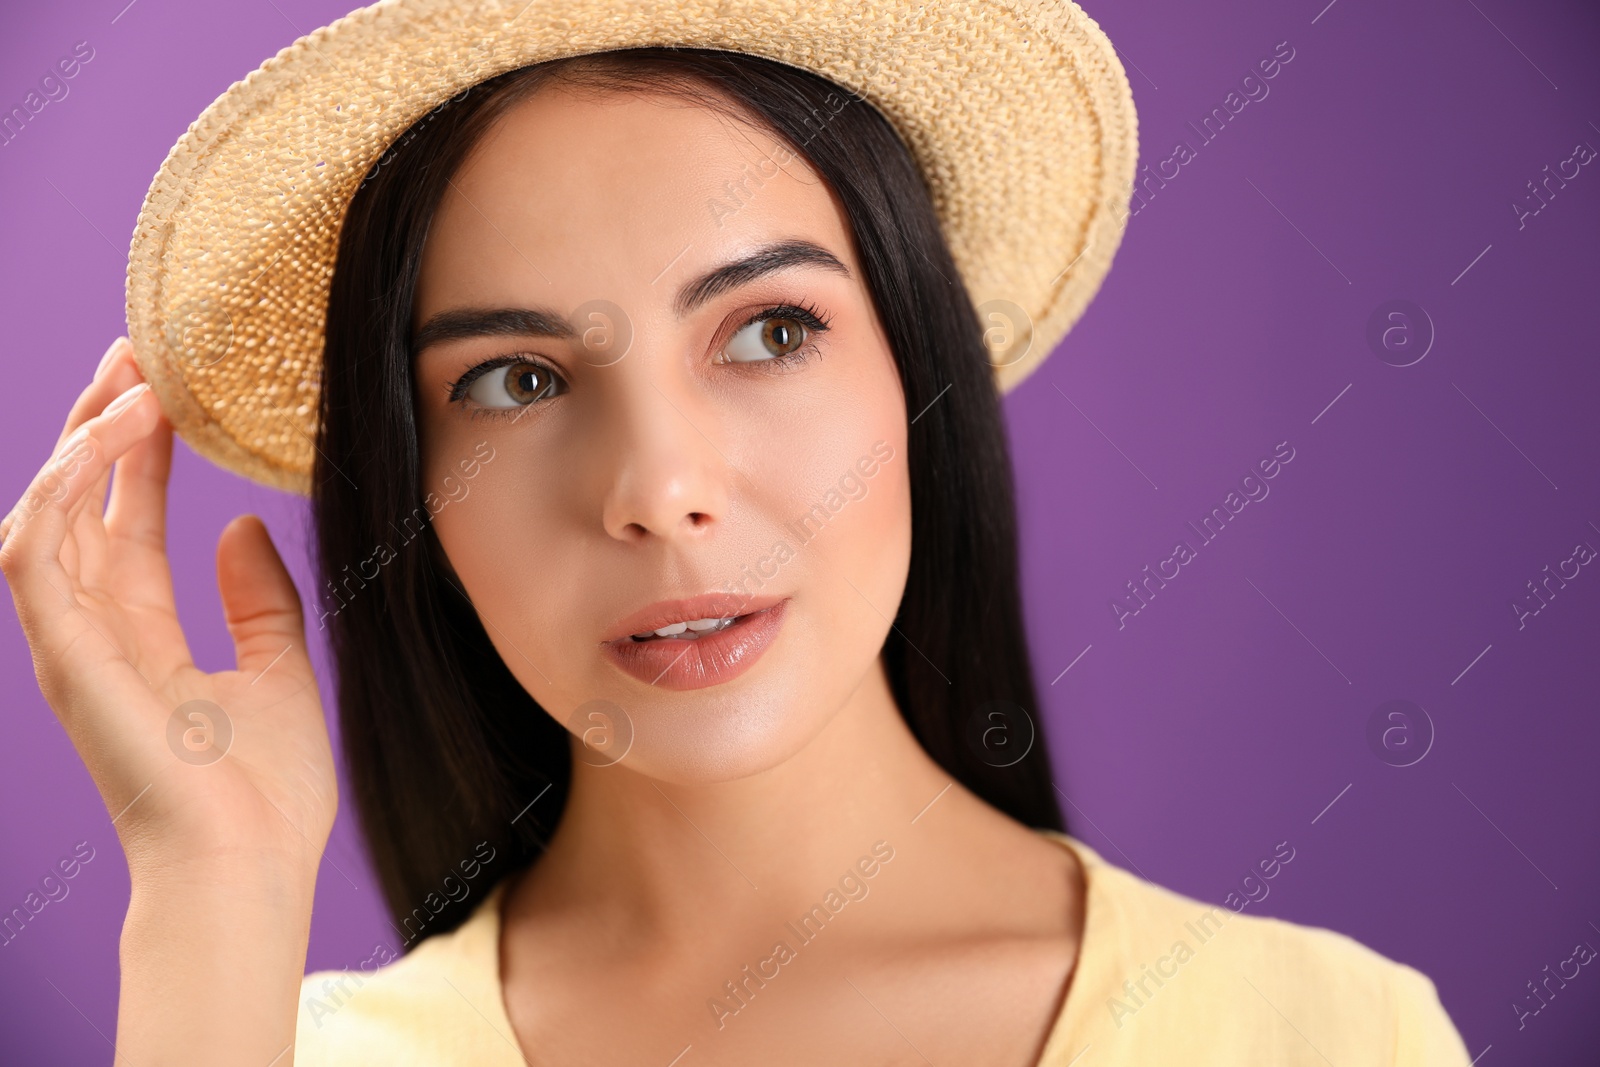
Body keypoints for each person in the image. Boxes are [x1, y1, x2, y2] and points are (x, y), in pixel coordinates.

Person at [0, 3, 1472, 1063]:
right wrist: (214, 895)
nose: (658, 487)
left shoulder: (1330, 1034)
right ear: (412, 492)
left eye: (770, 329)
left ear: (915, 364)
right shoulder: (269, 1046)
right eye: (514, 381)